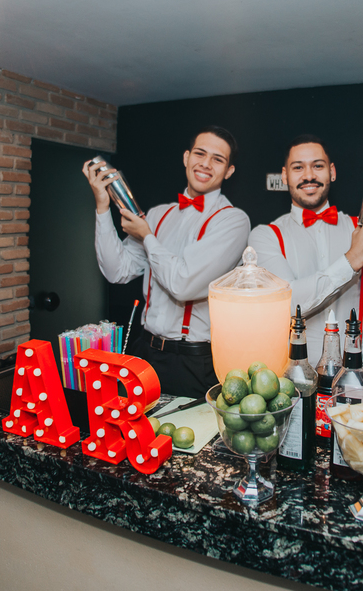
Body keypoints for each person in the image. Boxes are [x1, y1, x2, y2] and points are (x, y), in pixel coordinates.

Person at [83, 126, 250, 398]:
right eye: (200, 153)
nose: (206, 163)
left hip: (192, 361)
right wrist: (103, 208)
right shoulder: (158, 214)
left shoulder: (232, 220)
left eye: (217, 159)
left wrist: (147, 237)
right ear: (186, 157)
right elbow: (117, 271)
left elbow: (183, 284)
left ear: (229, 171)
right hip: (144, 350)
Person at [247, 135, 363, 363]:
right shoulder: (265, 236)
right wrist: (353, 258)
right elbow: (287, 304)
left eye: (318, 166)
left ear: (332, 172)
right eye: (298, 167)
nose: (309, 175)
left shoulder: (361, 229)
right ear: (285, 176)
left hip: (358, 369)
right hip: (295, 373)